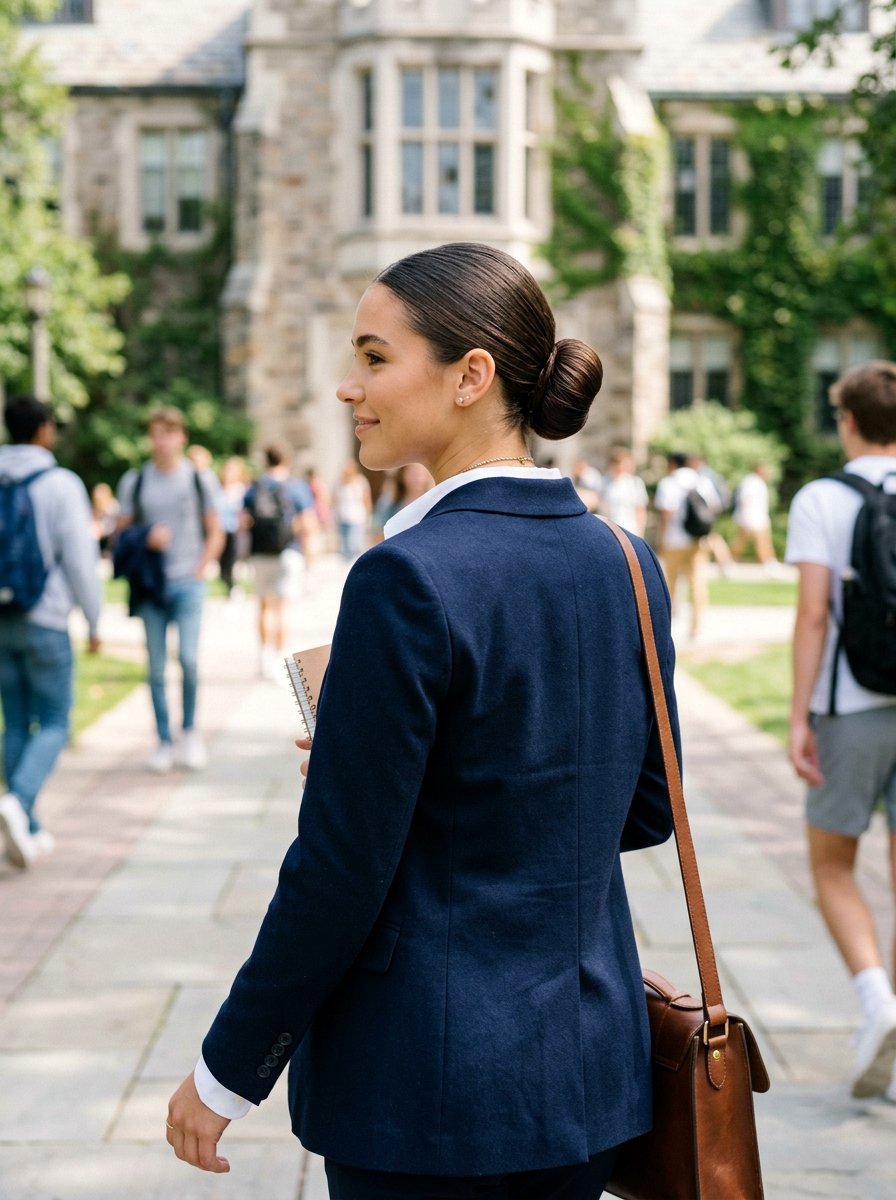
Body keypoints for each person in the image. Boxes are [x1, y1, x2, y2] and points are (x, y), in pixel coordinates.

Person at [165, 242, 678, 1198]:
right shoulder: (627, 559)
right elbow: (644, 812)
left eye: (372, 357)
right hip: (589, 1078)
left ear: (470, 376)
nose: (345, 388)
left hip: (430, 1094)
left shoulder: (406, 577)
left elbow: (341, 870)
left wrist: (228, 1070)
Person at [786, 361, 896, 1101]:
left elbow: (815, 613)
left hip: (850, 707)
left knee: (832, 865)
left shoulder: (823, 497)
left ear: (846, 421)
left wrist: (798, 715)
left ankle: (876, 1005)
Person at [0, 396, 101, 869]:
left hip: (2, 621)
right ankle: (18, 803)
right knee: (57, 720)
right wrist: (95, 620)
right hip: (46, 618)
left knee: (16, 722)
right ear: (43, 430)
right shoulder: (60, 484)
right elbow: (80, 560)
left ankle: (29, 827)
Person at [116, 407, 223, 773]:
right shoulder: (136, 481)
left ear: (182, 437)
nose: (161, 440)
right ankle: (163, 739)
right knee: (156, 668)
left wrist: (200, 568)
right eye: (156, 433)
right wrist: (147, 537)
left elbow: (216, 529)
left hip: (188, 583)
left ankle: (190, 732)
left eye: (168, 433)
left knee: (189, 661)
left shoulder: (198, 478)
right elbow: (121, 535)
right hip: (151, 586)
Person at [243, 446, 315, 678]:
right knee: (282, 609)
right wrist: (310, 560)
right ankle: (280, 661)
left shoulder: (255, 487)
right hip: (288, 551)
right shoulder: (296, 486)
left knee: (264, 605)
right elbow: (307, 523)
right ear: (285, 460)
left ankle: (264, 658)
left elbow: (243, 521)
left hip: (261, 553)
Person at [654, 451, 721, 638]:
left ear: (673, 464)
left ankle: (667, 627)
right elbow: (714, 507)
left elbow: (666, 514)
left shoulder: (668, 483)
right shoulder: (701, 481)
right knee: (697, 582)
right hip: (698, 539)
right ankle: (696, 627)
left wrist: (661, 540)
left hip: (674, 540)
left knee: (670, 583)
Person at [730, 463, 777, 567]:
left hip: (759, 517)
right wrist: (745, 517)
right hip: (750, 517)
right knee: (743, 541)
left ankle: (769, 561)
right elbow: (745, 500)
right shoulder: (751, 482)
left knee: (762, 540)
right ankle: (729, 561)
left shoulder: (758, 482)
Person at [217, 456, 250, 596]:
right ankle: (228, 584)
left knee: (233, 559)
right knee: (222, 561)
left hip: (235, 530)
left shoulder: (242, 489)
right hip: (221, 530)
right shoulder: (218, 489)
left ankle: (233, 586)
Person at [600, 445, 648, 536]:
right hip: (609, 532)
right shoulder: (604, 482)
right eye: (617, 464)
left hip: (630, 532)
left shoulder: (635, 483)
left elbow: (640, 511)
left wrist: (640, 535)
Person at [332, 457, 371, 560]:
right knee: (344, 546)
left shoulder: (361, 482)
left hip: (356, 518)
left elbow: (366, 501)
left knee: (353, 545)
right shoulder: (339, 483)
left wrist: (367, 518)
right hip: (342, 518)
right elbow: (334, 500)